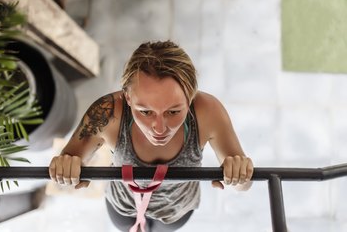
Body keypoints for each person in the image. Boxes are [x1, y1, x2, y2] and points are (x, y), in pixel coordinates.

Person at [49, 41, 254, 232]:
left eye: (173, 112)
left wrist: (238, 175)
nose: (159, 128)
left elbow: (243, 185)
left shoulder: (208, 112)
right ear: (128, 97)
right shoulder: (108, 113)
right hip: (122, 205)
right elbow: (70, 160)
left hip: (176, 210)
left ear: (190, 96)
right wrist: (67, 169)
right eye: (145, 112)